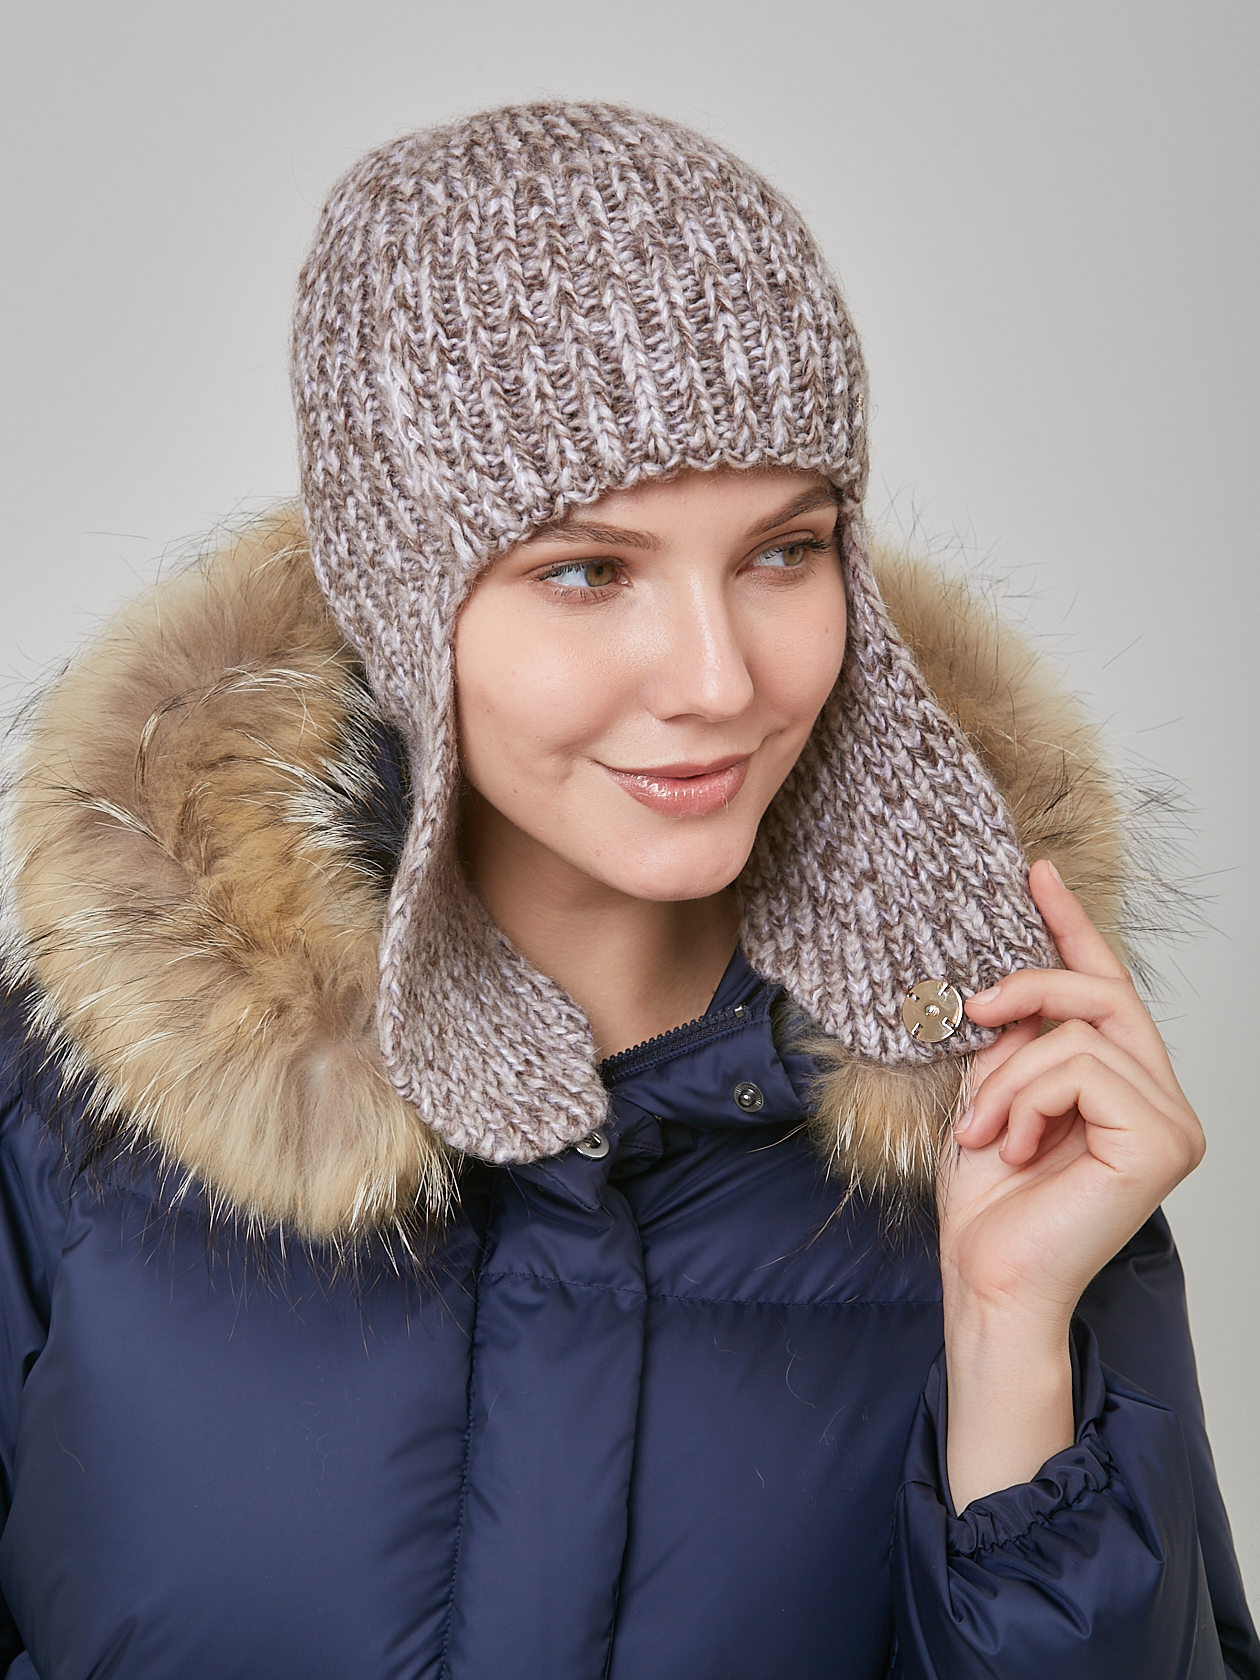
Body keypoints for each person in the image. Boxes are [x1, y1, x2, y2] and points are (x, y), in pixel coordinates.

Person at [0, 100, 1254, 1680]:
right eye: (588, 571)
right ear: (400, 598)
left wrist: (1010, 1338)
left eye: (784, 553)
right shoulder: (65, 1126)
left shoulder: (1006, 1139)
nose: (719, 679)